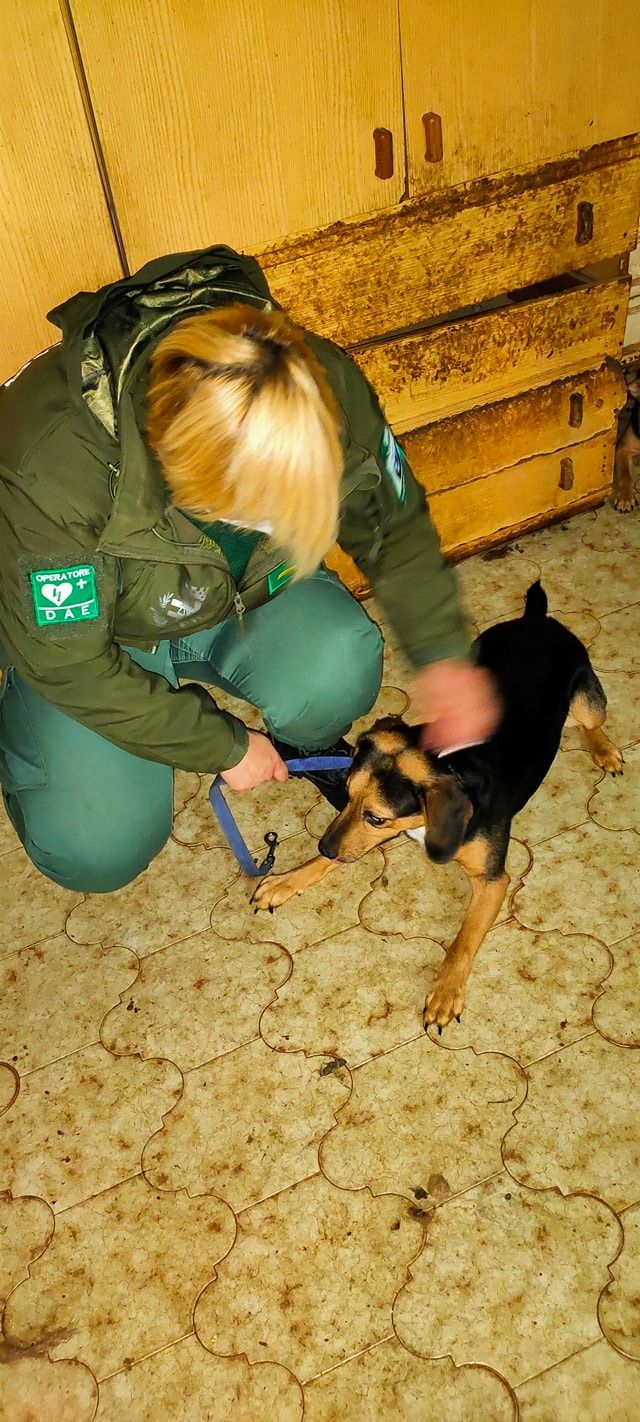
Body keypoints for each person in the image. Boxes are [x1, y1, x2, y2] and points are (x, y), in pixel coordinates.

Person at [0, 244, 499, 893]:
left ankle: (256, 695)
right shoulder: (46, 469)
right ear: (182, 480)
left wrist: (443, 653)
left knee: (337, 666)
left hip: (224, 597)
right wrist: (222, 746)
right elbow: (70, 664)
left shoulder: (318, 380)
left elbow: (392, 521)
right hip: (96, 635)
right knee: (96, 847)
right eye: (267, 513)